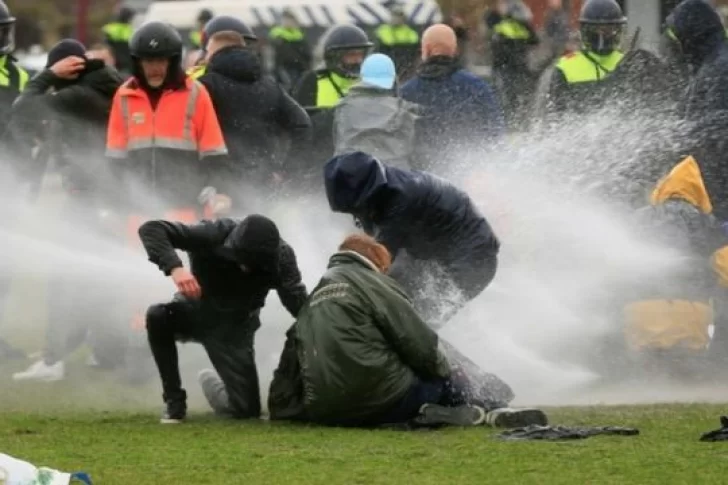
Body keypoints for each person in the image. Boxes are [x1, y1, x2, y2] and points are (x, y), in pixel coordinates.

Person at [268, 233, 546, 428]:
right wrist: (448, 375)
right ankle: (494, 407)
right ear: (377, 262)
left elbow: (286, 374)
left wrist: (285, 410)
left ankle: (432, 412)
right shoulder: (376, 285)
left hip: (328, 411)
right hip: (385, 402)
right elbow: (421, 345)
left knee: (411, 362)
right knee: (444, 356)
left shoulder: (310, 303)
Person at [10, 40, 124, 382]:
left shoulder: (78, 96)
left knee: (62, 282)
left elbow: (23, 109)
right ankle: (105, 350)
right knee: (101, 280)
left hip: (90, 199)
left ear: (68, 69)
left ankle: (53, 361)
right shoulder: (102, 86)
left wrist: (46, 76)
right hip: (107, 200)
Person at [138, 215, 308, 423]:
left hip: (234, 330)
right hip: (193, 310)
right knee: (158, 316)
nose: (246, 268)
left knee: (246, 410)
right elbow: (152, 229)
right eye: (243, 259)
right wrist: (175, 268)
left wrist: (318, 324)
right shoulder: (214, 233)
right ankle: (174, 401)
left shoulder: (283, 257)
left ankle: (211, 383)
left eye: (255, 264)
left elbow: (295, 299)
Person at [324, 151, 500, 330]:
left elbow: (378, 259)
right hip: (436, 253)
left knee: (415, 321)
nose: (355, 215)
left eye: (355, 209)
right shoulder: (383, 190)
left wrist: (344, 293)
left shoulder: (401, 199)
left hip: (474, 259)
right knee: (397, 300)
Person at [106, 20, 228, 214]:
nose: (155, 68)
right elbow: (115, 156)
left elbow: (214, 151)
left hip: (186, 206)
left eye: (161, 61)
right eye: (148, 61)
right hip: (138, 209)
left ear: (172, 61)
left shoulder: (196, 93)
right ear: (138, 63)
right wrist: (115, 201)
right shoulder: (124, 96)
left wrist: (215, 190)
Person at [197, 30, 311, 200]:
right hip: (264, 183)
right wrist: (287, 170)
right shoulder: (270, 86)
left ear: (215, 53)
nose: (204, 57)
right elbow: (302, 124)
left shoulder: (204, 86)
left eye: (208, 51)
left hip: (220, 186)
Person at [399, 24, 504, 175]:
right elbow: (495, 132)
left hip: (422, 180)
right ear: (455, 50)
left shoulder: (406, 92)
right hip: (468, 176)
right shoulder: (477, 87)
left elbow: (397, 142)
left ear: (426, 50)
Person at [333, 53, 419, 169]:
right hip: (395, 179)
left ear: (362, 78)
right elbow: (416, 152)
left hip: (351, 177)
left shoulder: (342, 108)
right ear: (394, 80)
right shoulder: (405, 110)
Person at [545, 0, 626, 117]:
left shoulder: (627, 61)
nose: (602, 34)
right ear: (585, 30)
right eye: (598, 29)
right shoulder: (565, 67)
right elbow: (555, 119)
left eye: (609, 29)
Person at [293, 24, 373, 109]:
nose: (358, 60)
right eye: (351, 55)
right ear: (334, 57)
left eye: (360, 54)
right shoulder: (312, 81)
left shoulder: (370, 82)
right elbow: (299, 118)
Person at [489, 1, 539, 128]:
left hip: (514, 68)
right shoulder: (505, 25)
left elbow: (534, 40)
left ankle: (515, 122)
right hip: (512, 68)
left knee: (514, 97)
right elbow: (533, 40)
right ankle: (513, 123)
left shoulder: (511, 23)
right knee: (513, 97)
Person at [187, 15, 258, 80]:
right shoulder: (195, 80)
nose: (242, 52)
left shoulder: (191, 80)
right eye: (236, 44)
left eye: (247, 44)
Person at [269, 9, 311, 92]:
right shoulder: (277, 34)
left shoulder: (299, 35)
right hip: (284, 67)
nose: (288, 22)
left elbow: (306, 53)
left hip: (299, 68)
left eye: (290, 20)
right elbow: (283, 54)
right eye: (286, 20)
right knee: (289, 86)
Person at [374, 6, 420, 78]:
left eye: (399, 16)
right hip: (388, 63)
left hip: (406, 65)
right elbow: (387, 42)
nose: (396, 19)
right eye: (394, 16)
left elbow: (414, 41)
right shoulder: (383, 29)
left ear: (403, 18)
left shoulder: (409, 31)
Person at [102, 5, 135, 76]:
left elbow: (106, 47)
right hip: (128, 63)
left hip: (113, 63)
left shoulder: (109, 28)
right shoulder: (130, 30)